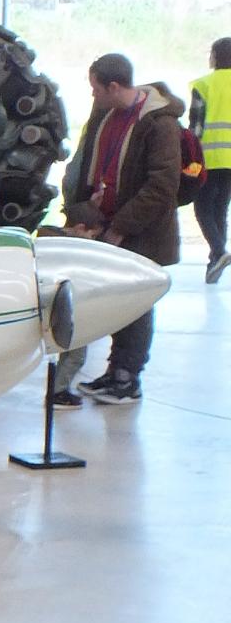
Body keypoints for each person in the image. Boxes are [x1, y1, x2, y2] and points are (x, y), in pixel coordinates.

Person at [49, 52, 183, 407]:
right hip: (103, 227)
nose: (92, 95)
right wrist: (82, 213)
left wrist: (121, 227)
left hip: (142, 233)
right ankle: (114, 372)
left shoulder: (159, 123)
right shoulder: (104, 116)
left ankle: (127, 377)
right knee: (114, 300)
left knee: (136, 303)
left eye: (95, 88)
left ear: (113, 86)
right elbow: (84, 171)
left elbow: (162, 186)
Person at [191, 37, 231, 283]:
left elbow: (196, 126)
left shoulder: (204, 84)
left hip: (210, 156)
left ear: (215, 57)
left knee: (203, 207)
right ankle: (214, 262)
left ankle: (218, 251)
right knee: (221, 209)